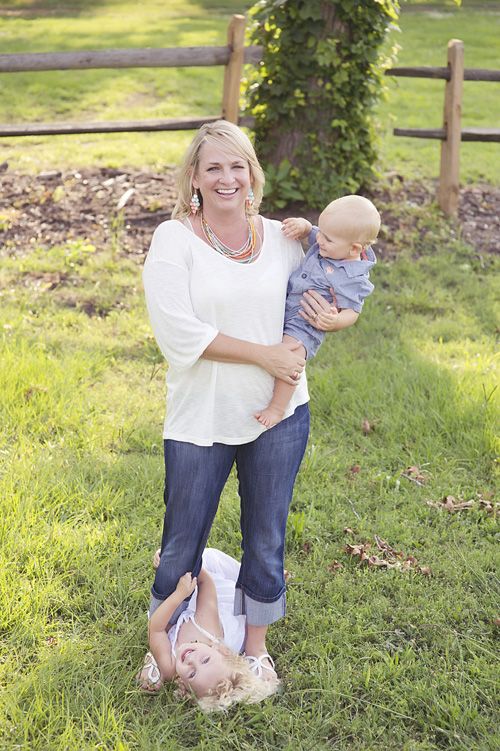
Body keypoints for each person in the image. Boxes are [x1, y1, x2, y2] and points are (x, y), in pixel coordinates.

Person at [139, 120, 335, 689]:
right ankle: (169, 638)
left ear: (253, 174)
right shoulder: (174, 239)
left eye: (238, 166)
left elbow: (323, 297)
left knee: (267, 535)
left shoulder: (282, 238)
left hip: (280, 414)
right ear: (195, 178)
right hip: (202, 417)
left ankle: (255, 648)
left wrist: (331, 320)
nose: (228, 178)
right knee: (183, 535)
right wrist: (265, 356)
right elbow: (179, 335)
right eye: (214, 167)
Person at [255, 195, 380, 429]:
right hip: (287, 299)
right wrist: (303, 226)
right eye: (320, 231)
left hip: (306, 321)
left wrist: (335, 322)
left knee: (291, 356)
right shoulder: (333, 241)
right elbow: (310, 234)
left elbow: (352, 311)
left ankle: (276, 409)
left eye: (326, 238)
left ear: (354, 248)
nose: (318, 239)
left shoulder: (354, 277)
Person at [142, 547, 276, 711]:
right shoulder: (207, 628)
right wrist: (178, 562)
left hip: (189, 601)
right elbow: (206, 582)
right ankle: (257, 573)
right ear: (219, 649)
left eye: (192, 673)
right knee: (234, 572)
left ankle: (154, 657)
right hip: (220, 585)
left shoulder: (171, 669)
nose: (191, 660)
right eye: (205, 660)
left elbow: (155, 628)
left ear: (183, 685)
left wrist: (179, 594)